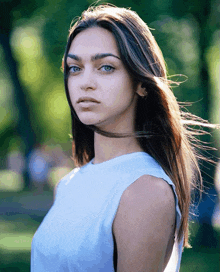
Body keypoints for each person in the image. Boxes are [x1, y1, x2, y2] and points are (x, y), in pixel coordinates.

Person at [31, 4, 216, 271]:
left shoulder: (145, 191)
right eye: (74, 68)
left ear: (141, 83)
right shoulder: (68, 184)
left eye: (105, 67)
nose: (85, 82)